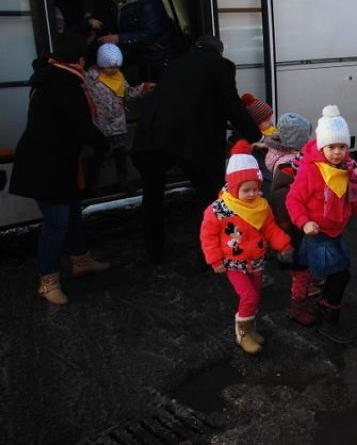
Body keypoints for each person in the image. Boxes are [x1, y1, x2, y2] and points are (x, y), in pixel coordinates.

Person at [132, 35, 262, 264]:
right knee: (208, 195)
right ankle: (208, 255)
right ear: (218, 52)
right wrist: (256, 136)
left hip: (151, 136)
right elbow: (230, 104)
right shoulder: (221, 65)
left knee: (152, 196)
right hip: (189, 140)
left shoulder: (176, 62)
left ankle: (153, 252)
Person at [9, 33, 110, 305]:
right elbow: (82, 128)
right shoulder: (65, 86)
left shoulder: (49, 77)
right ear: (79, 61)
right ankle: (48, 281)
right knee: (56, 223)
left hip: (59, 162)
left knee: (73, 213)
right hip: (47, 166)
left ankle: (82, 260)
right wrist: (106, 143)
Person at [285, 105, 357, 344]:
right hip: (317, 234)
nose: (338, 152)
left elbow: (354, 199)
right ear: (321, 146)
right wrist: (304, 223)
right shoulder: (311, 171)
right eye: (332, 147)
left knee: (339, 275)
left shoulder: (348, 169)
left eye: (342, 147)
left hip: (336, 232)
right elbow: (293, 200)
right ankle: (329, 322)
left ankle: (324, 306)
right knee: (340, 275)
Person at [200, 140, 293, 354]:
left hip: (256, 260)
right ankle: (241, 334)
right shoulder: (219, 210)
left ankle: (249, 329)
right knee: (248, 296)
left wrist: (284, 244)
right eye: (247, 190)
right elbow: (208, 235)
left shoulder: (261, 206)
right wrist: (214, 259)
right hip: (233, 262)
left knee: (255, 296)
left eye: (256, 189)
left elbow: (270, 228)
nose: (253, 194)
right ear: (234, 188)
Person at [263, 111, 321, 326]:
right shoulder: (291, 166)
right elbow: (287, 201)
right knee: (300, 269)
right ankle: (298, 306)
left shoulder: (276, 156)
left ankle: (308, 284)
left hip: (291, 223)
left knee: (302, 265)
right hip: (294, 226)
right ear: (298, 142)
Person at [83, 43, 155, 191]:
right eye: (110, 67)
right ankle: (90, 185)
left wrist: (143, 88)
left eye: (116, 67)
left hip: (117, 123)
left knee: (120, 154)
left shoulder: (119, 78)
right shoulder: (90, 78)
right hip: (99, 123)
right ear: (101, 64)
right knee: (98, 155)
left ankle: (123, 181)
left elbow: (128, 93)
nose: (114, 70)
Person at [100, 0, 186, 83]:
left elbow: (150, 34)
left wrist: (119, 38)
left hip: (159, 54)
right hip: (140, 52)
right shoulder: (118, 1)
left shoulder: (148, 2)